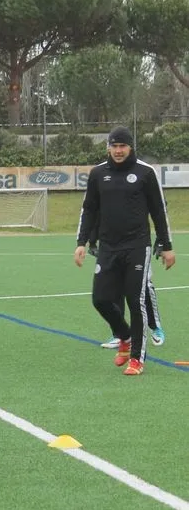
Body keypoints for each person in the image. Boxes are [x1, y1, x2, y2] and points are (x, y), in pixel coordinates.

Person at [74, 126, 175, 376]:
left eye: (123, 146)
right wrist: (81, 242)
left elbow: (158, 211)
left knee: (135, 300)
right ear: (108, 147)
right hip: (108, 246)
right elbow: (89, 210)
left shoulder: (145, 172)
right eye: (114, 146)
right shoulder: (98, 174)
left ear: (131, 147)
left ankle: (136, 359)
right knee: (100, 299)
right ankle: (124, 336)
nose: (118, 151)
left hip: (137, 246)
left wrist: (167, 246)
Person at [89, 221, 166, 348]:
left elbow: (159, 211)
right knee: (115, 286)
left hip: (137, 244)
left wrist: (162, 240)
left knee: (144, 283)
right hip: (113, 246)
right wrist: (92, 240)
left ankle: (155, 327)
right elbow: (96, 210)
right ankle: (120, 335)